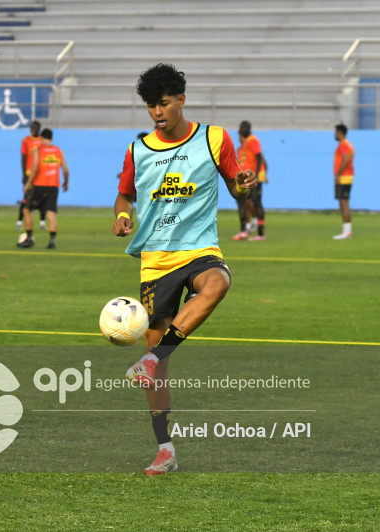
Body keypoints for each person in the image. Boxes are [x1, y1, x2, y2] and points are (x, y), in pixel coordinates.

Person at [112, 64, 256, 475]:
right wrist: (121, 216)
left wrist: (244, 184)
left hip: (198, 248)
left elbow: (236, 187)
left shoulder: (214, 138)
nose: (157, 112)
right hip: (156, 260)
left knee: (218, 282)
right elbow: (123, 197)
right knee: (155, 366)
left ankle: (155, 358)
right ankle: (165, 450)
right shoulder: (138, 150)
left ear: (181, 100)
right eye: (150, 106)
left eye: (163, 103)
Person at [18, 128, 69, 249]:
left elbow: (35, 167)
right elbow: (65, 170)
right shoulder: (59, 151)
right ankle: (52, 242)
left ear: (41, 137)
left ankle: (29, 238)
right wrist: (66, 182)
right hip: (53, 187)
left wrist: (28, 183)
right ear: (51, 138)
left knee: (26, 210)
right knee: (51, 213)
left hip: (39, 186)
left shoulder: (38, 150)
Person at [233, 120, 268, 241]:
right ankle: (249, 228)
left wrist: (257, 175)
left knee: (253, 202)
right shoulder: (243, 146)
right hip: (248, 177)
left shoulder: (252, 140)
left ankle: (257, 231)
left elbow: (260, 157)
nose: (241, 131)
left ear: (248, 129)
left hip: (254, 176)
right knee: (247, 201)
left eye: (243, 128)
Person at [17, 120, 47, 230]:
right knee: (27, 197)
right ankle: (19, 222)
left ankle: (42, 222)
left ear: (38, 128)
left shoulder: (42, 140)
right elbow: (23, 158)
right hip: (30, 173)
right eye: (31, 127)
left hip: (41, 174)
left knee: (43, 197)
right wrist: (24, 175)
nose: (32, 129)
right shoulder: (26, 140)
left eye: (34, 127)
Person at [333, 124, 354, 239]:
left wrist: (338, 174)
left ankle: (346, 233)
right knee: (345, 204)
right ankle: (347, 231)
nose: (335, 135)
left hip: (344, 177)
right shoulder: (349, 144)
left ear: (340, 133)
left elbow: (346, 159)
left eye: (336, 132)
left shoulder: (342, 145)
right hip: (349, 176)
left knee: (344, 204)